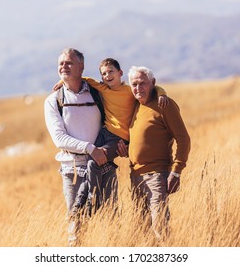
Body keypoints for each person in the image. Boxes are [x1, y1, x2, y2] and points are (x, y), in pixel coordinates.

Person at [54, 58, 168, 215]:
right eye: (104, 74)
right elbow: (83, 80)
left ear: (120, 73)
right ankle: (81, 201)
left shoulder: (131, 91)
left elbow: (154, 88)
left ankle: (92, 200)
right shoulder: (103, 89)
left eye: (111, 72)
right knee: (90, 162)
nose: (107, 76)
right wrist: (63, 82)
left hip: (118, 139)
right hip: (104, 134)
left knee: (93, 163)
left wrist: (162, 94)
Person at [44, 48, 117, 246]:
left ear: (81, 66)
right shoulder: (53, 101)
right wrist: (90, 148)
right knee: (76, 225)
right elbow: (59, 139)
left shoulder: (98, 94)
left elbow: (121, 108)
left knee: (111, 221)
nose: (63, 66)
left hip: (104, 166)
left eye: (69, 63)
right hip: (73, 170)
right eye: (61, 63)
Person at [117, 65, 191, 242]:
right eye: (134, 84)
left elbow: (184, 139)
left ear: (153, 83)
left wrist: (176, 171)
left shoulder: (164, 104)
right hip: (135, 177)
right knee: (142, 231)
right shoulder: (135, 106)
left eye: (143, 83)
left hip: (157, 176)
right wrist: (127, 150)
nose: (138, 88)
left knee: (160, 228)